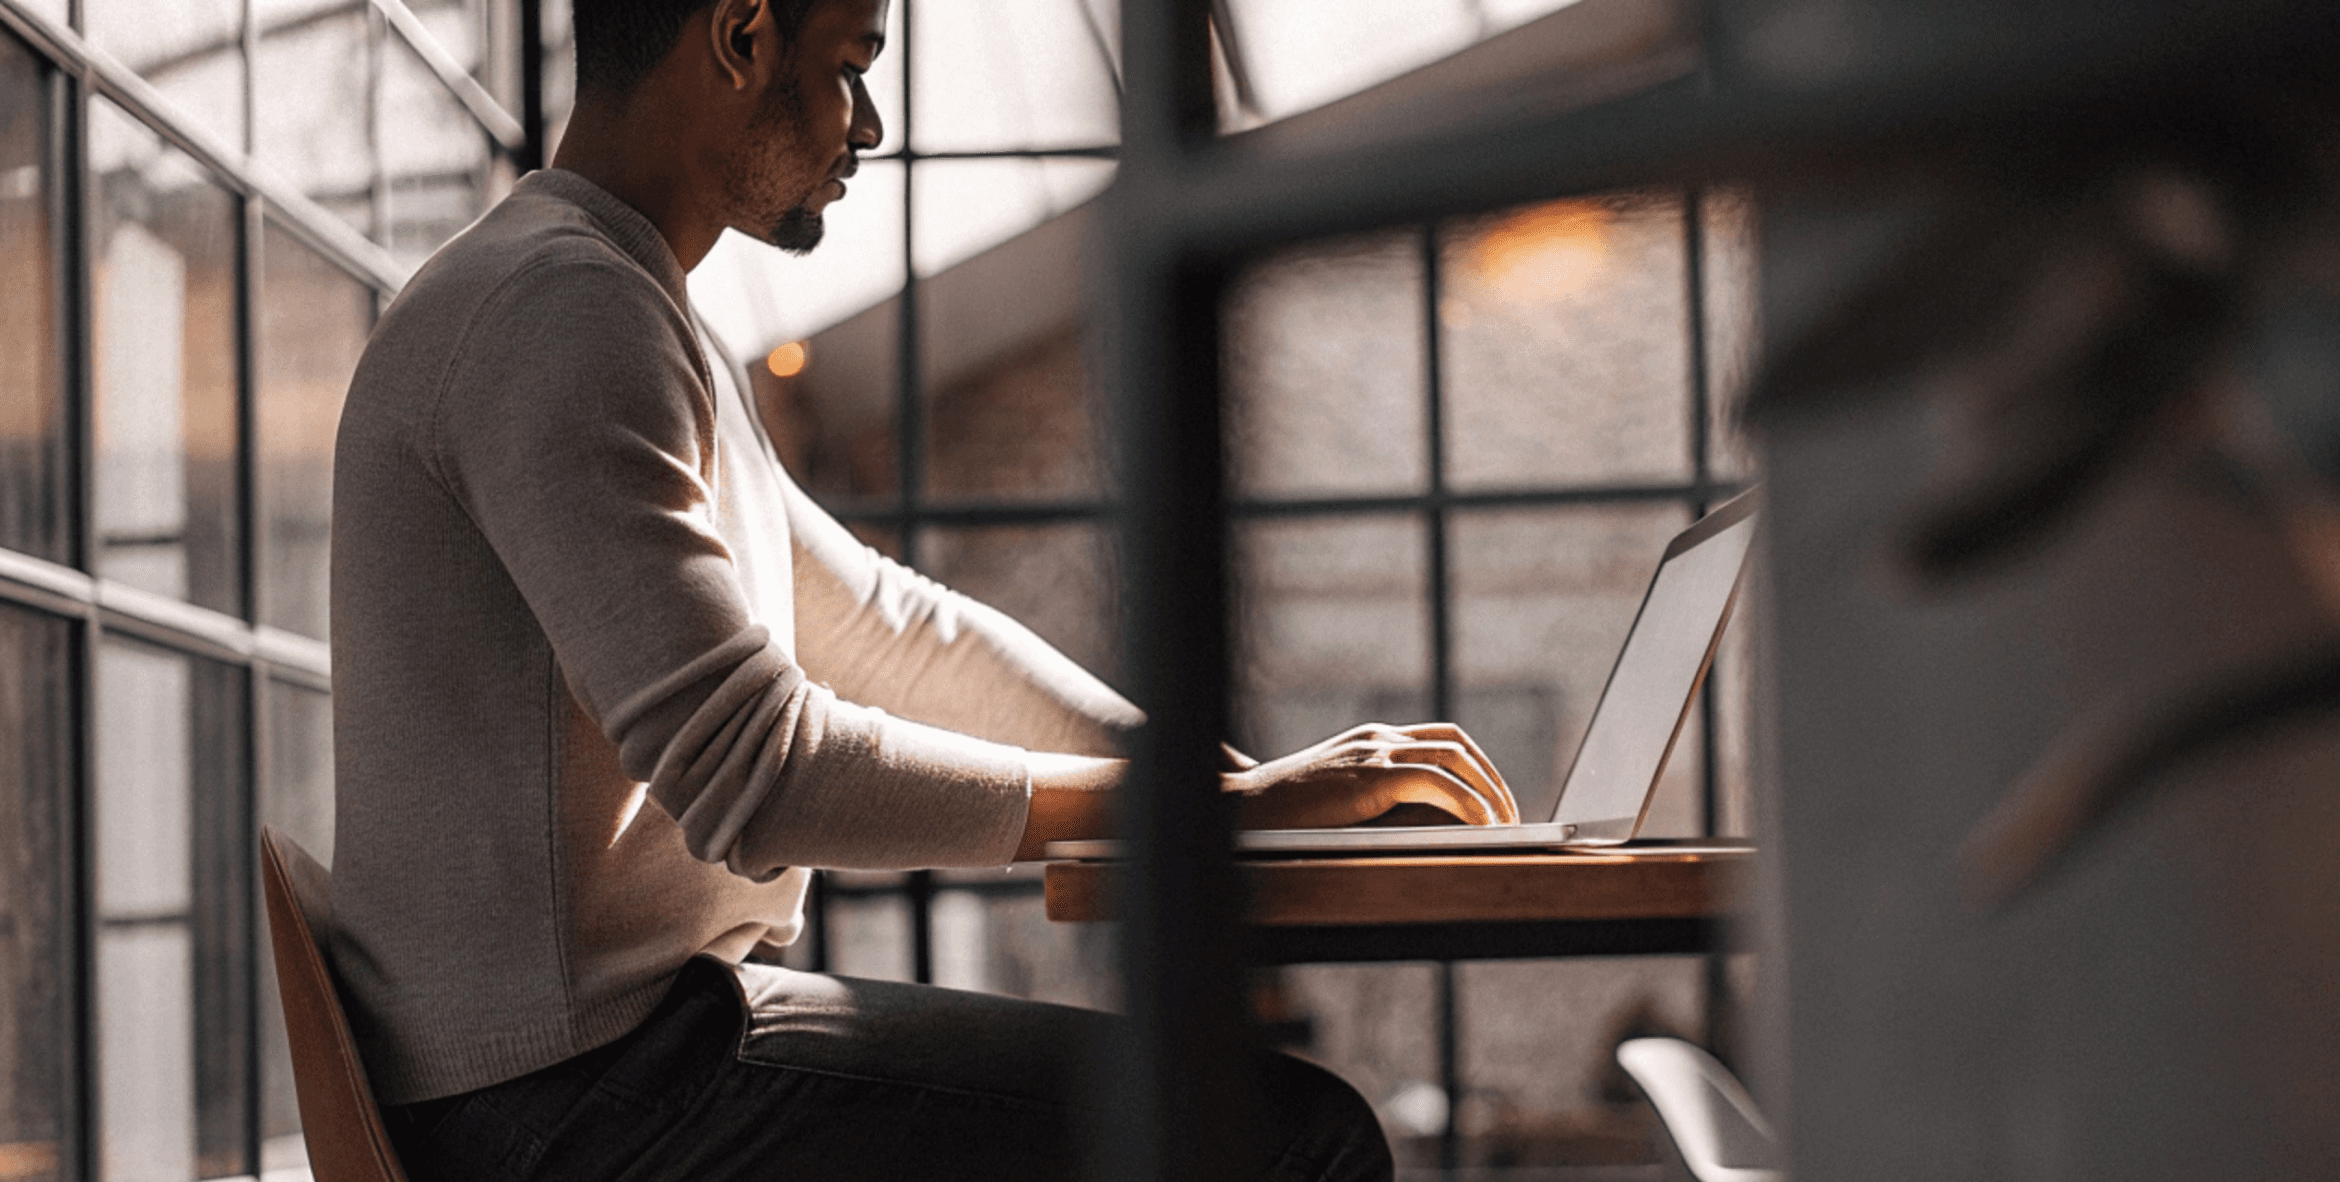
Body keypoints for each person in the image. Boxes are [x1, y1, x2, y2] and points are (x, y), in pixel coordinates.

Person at [328, 0, 1519, 1177]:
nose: (873, 124)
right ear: (742, 38)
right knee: (1287, 1139)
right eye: (850, 68)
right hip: (571, 1102)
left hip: (612, 1064)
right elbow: (762, 772)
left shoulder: (631, 308)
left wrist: (1220, 783)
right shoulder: (557, 311)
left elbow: (897, 631)